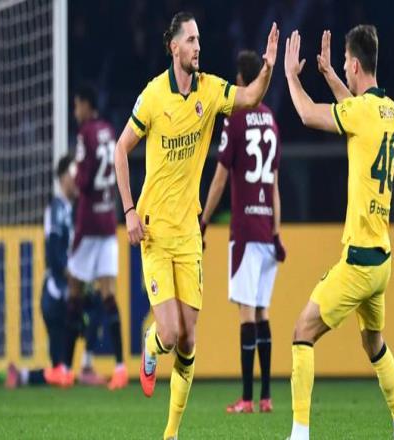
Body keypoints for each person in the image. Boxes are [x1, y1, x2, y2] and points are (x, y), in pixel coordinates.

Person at [114, 11, 278, 439]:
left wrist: (268, 67)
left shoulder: (210, 89)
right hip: (154, 231)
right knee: (169, 333)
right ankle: (151, 345)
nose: (198, 47)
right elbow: (120, 150)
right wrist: (129, 211)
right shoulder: (153, 96)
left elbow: (250, 97)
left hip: (189, 233)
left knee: (189, 342)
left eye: (199, 39)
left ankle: (170, 434)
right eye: (190, 40)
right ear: (174, 47)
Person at [283, 26, 394, 440]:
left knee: (302, 332)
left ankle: (299, 434)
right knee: (374, 344)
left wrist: (291, 76)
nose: (343, 66)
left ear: (356, 65)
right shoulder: (389, 110)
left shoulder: (362, 113)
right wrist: (327, 74)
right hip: (382, 261)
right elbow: (357, 109)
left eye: (344, 62)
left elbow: (308, 114)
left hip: (358, 261)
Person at [200, 50, 285, 414]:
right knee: (263, 312)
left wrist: (203, 220)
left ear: (241, 82)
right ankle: (265, 396)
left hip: (246, 231)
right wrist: (277, 232)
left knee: (247, 314)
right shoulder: (272, 122)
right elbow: (275, 184)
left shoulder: (235, 121)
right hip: (267, 230)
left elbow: (220, 178)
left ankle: (247, 398)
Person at [66, 84, 127, 390]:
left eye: (77, 105)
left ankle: (65, 367)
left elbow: (82, 180)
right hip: (108, 221)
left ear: (86, 105)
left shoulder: (85, 133)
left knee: (73, 289)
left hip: (89, 223)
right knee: (108, 294)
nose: (75, 111)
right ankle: (120, 367)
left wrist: (73, 179)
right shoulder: (108, 131)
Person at [5, 155, 77, 388]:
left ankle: (29, 374)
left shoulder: (74, 208)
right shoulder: (56, 208)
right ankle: (24, 375)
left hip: (68, 293)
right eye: (73, 173)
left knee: (64, 369)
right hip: (55, 294)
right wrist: (69, 273)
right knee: (61, 372)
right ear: (63, 177)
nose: (77, 179)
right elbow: (54, 251)